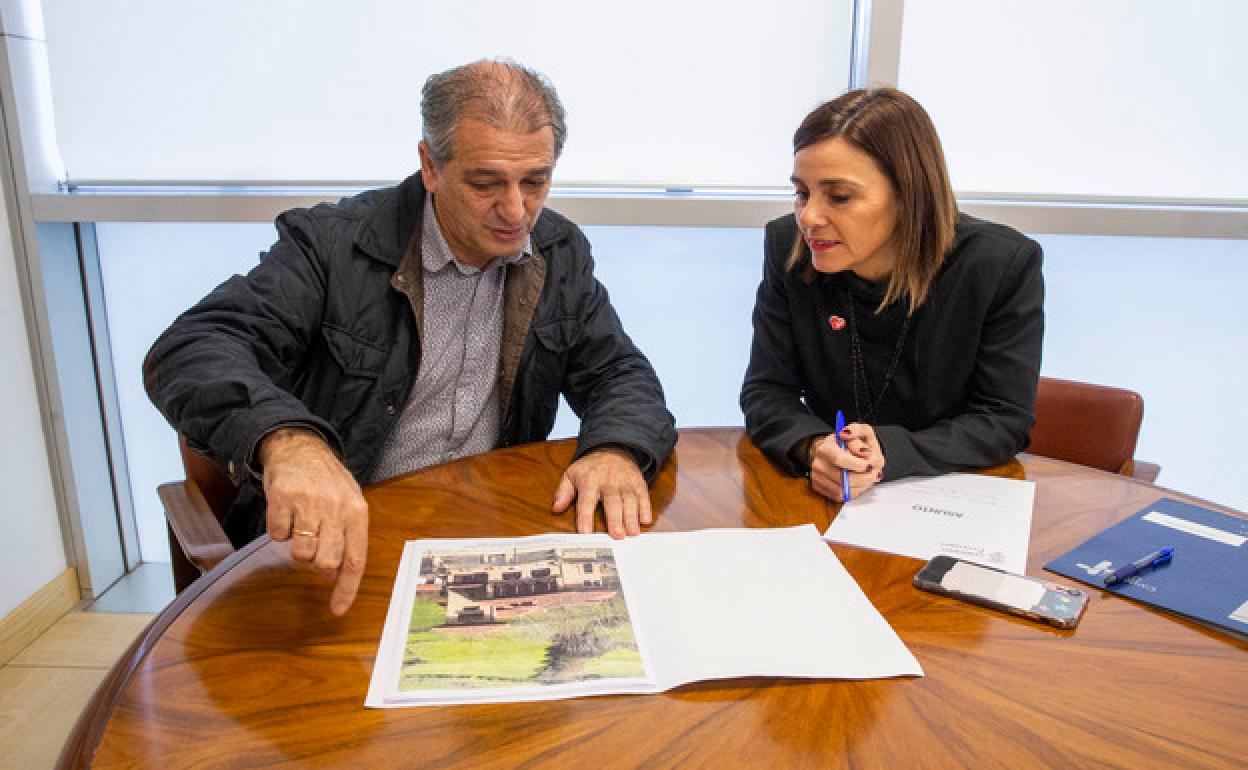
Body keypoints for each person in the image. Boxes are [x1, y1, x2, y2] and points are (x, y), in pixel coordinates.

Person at [145, 59, 676, 615]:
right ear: (430, 165)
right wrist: (290, 442)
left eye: (535, 182)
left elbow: (620, 372)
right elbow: (192, 345)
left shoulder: (558, 251)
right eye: (485, 183)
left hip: (486, 544)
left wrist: (616, 448)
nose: (516, 210)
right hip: (340, 546)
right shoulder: (333, 247)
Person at [740, 87, 1043, 502]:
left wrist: (891, 451)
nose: (808, 217)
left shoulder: (998, 264)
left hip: (946, 494)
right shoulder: (787, 248)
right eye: (802, 192)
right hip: (828, 491)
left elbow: (1003, 418)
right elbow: (766, 390)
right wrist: (813, 446)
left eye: (839, 196)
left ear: (907, 195)